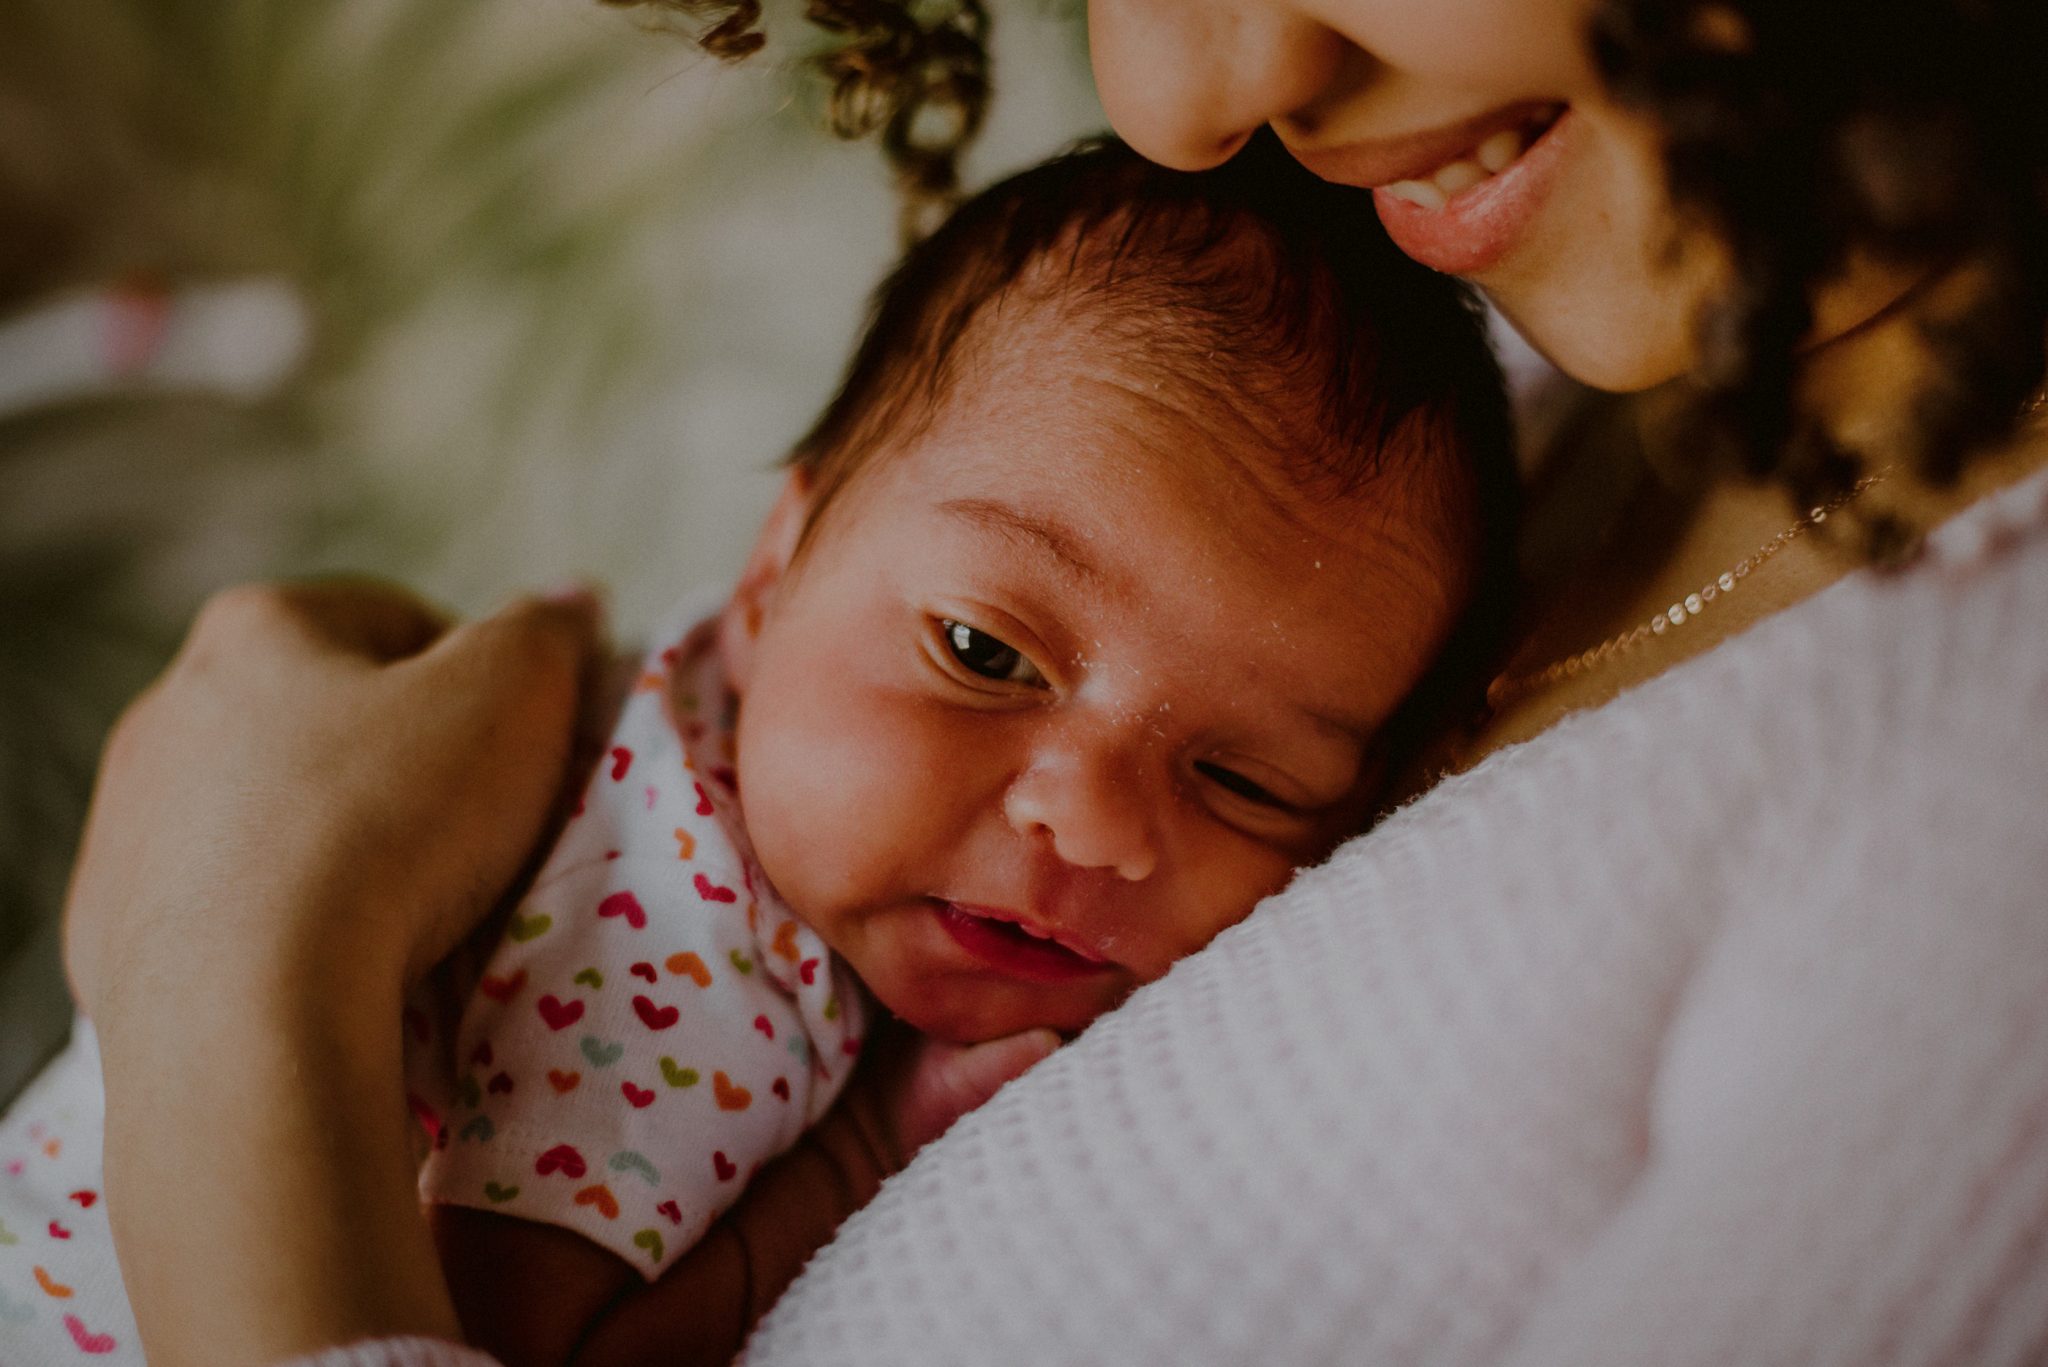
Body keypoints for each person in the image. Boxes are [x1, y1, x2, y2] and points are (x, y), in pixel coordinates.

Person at [50, 0, 2048, 1363]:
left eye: (1254, 786)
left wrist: (239, 954)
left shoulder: (1982, 897)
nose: (1192, 92)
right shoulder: (1453, 407)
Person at [9, 134, 1515, 1367]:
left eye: (1247, 781)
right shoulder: (688, 930)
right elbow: (503, 1347)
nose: (1092, 820)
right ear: (772, 571)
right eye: (986, 656)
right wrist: (859, 1162)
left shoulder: (749, 760)